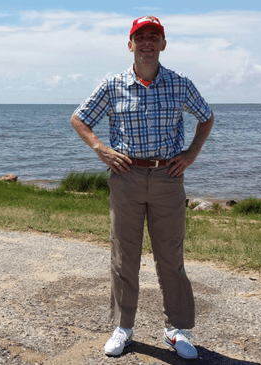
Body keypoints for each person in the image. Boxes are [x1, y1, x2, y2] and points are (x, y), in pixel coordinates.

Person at [70, 15, 214, 359]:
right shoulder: (112, 84)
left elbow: (206, 116)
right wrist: (101, 149)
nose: (147, 42)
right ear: (130, 44)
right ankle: (123, 327)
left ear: (163, 44)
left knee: (171, 257)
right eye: (141, 36)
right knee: (124, 257)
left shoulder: (180, 84)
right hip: (126, 178)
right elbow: (79, 118)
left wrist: (191, 154)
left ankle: (176, 329)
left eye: (154, 36)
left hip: (168, 178)